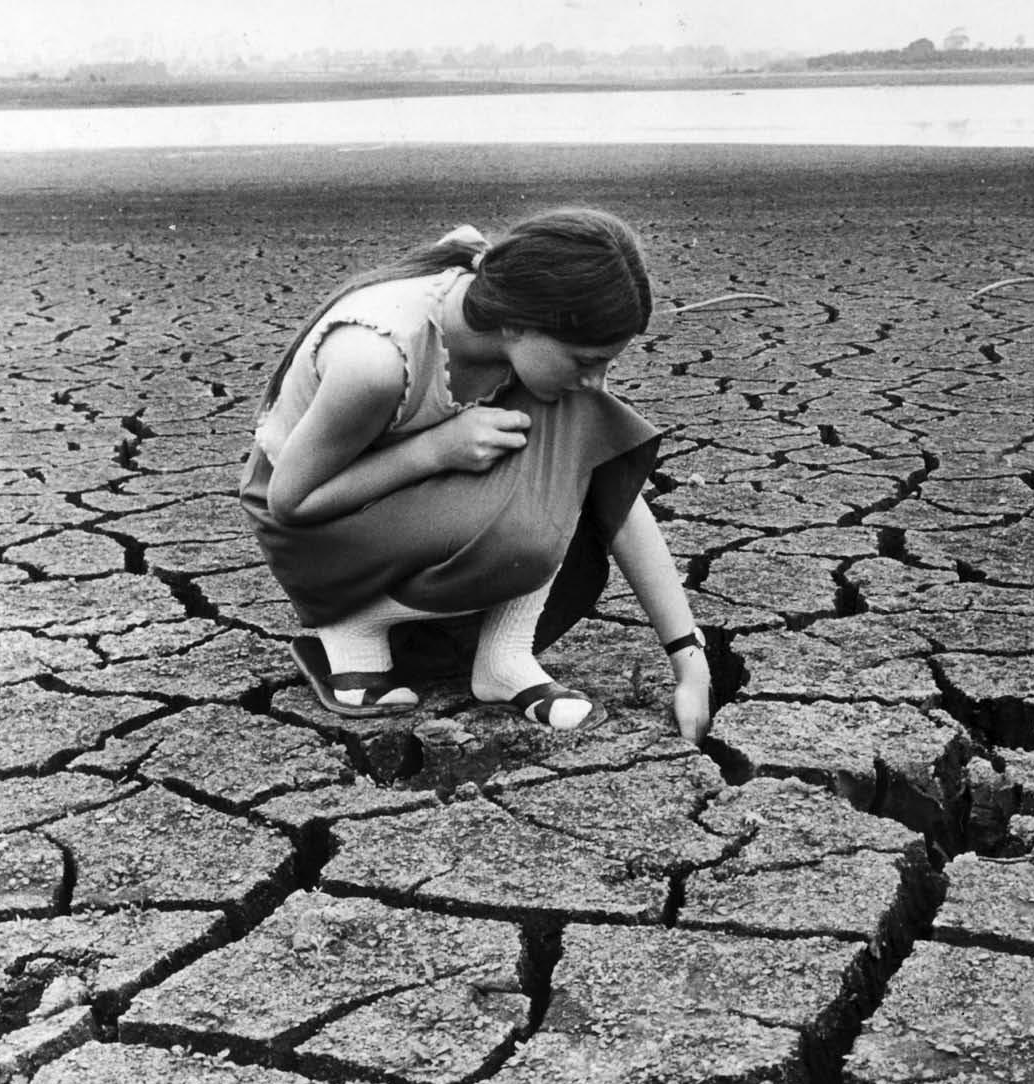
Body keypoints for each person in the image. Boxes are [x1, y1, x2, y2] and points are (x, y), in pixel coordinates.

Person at [239, 208, 711, 739]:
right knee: (529, 532)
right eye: (585, 360)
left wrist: (689, 660)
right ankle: (355, 623)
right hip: (318, 533)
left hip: (396, 509)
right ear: (518, 320)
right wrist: (435, 450)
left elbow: (616, 500)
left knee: (573, 458)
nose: (597, 381)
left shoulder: (519, 343)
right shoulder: (376, 361)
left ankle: (503, 660)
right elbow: (291, 502)